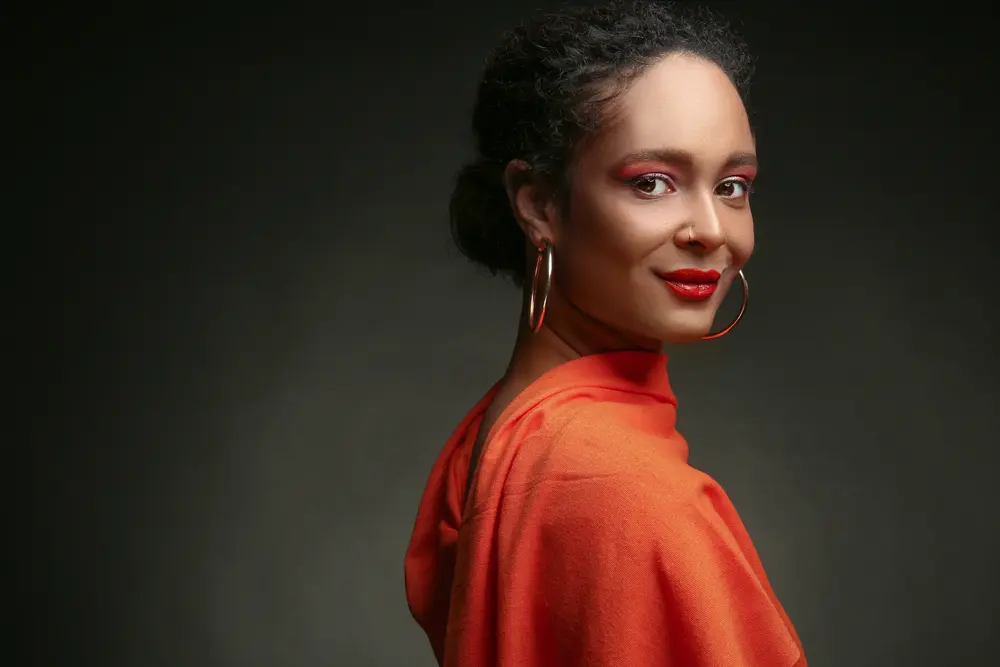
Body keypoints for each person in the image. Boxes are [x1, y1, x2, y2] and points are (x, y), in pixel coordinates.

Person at [405, 1, 807, 665]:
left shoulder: (501, 436)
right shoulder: (627, 491)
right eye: (653, 182)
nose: (712, 229)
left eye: (733, 186)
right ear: (539, 204)